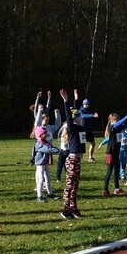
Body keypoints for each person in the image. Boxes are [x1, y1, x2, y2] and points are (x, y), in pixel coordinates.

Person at [59, 88, 86, 219]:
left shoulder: (80, 127)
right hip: (72, 160)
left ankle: (73, 208)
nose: (81, 117)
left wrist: (76, 99)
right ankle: (66, 209)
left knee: (75, 185)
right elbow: (70, 115)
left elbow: (75, 111)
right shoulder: (72, 127)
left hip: (78, 160)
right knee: (69, 185)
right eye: (79, 116)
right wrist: (66, 101)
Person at [102, 111, 127, 196]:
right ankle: (105, 190)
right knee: (109, 172)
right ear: (111, 121)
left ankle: (117, 189)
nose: (117, 122)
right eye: (115, 120)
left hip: (116, 153)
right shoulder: (111, 127)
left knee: (117, 171)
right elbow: (120, 123)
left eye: (117, 120)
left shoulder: (118, 128)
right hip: (110, 153)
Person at [32, 127, 61, 202]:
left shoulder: (46, 142)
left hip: (46, 163)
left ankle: (50, 193)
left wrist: (59, 150)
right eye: (44, 133)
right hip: (40, 164)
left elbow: (51, 148)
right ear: (39, 135)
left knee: (48, 178)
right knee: (41, 179)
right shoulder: (38, 144)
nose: (46, 134)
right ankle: (39, 196)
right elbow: (47, 150)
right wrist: (59, 151)